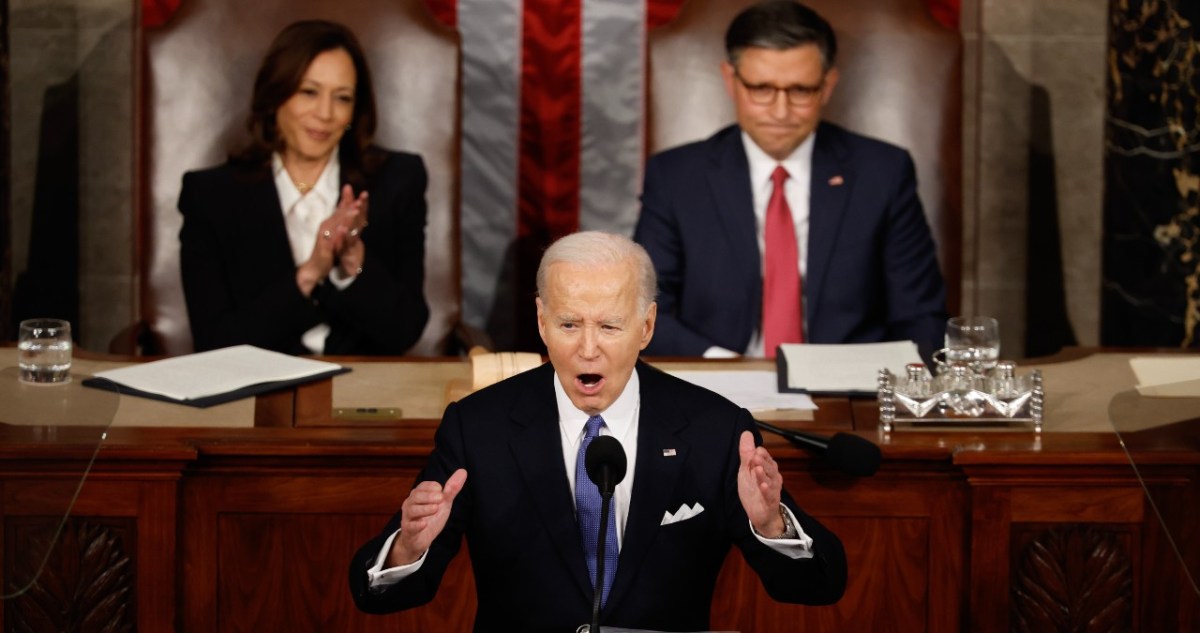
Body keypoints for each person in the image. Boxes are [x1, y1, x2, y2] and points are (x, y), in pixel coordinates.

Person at [349, 231, 846, 631]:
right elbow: (377, 597)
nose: (588, 349)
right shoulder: (478, 427)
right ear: (541, 322)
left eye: (609, 327)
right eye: (569, 325)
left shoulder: (714, 428)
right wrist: (409, 548)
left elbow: (818, 586)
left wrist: (772, 526)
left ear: (646, 326)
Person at [634, 0, 947, 360]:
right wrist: (729, 368)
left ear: (827, 85)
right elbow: (646, 312)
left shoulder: (883, 173)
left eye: (800, 91)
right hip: (717, 387)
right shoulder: (675, 177)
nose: (780, 111)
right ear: (730, 80)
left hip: (847, 393)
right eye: (761, 89)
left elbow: (921, 316)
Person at [178, 20, 429, 355]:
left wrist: (353, 263)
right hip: (257, 392)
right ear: (275, 97)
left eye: (342, 98)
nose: (324, 113)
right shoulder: (211, 195)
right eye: (308, 92)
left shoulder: (397, 180)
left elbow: (405, 330)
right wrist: (309, 275)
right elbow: (215, 343)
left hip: (367, 392)